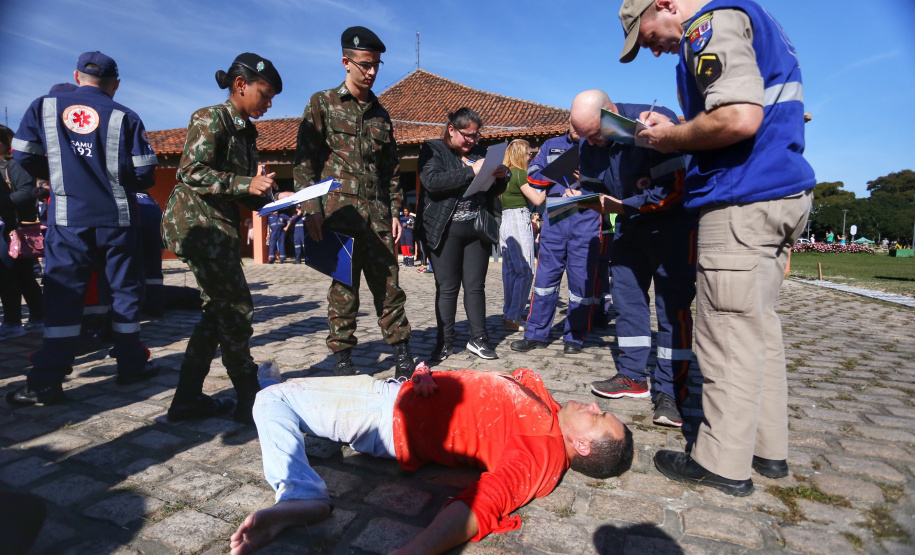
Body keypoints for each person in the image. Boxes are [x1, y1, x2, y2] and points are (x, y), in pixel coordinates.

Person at [620, 0, 815, 495]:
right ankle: (767, 450)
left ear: (663, 5)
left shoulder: (708, 24)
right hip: (779, 191)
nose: (656, 50)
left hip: (742, 198)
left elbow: (737, 118)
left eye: (647, 37)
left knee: (725, 333)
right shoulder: (754, 16)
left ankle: (722, 461)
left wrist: (671, 138)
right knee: (758, 330)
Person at [229, 366, 634, 555]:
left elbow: (484, 503)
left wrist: (414, 552)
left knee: (272, 398)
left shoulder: (541, 453)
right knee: (281, 392)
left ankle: (299, 494)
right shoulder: (548, 413)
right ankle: (271, 383)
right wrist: (429, 374)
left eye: (599, 419)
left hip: (387, 412)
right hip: (396, 394)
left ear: (582, 446)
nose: (595, 407)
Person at [8, 51, 160, 406]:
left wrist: (62, 176)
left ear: (77, 77)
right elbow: (146, 175)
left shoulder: (44, 106)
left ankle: (47, 379)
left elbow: (23, 155)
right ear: (115, 84)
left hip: (67, 216)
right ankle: (130, 365)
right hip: (118, 218)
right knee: (124, 291)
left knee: (63, 293)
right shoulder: (126, 116)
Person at [161, 53, 285, 424]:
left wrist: (266, 194)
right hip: (199, 226)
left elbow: (235, 191)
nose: (268, 103)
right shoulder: (210, 117)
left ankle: (186, 400)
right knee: (235, 308)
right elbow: (192, 171)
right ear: (240, 85)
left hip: (219, 225)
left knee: (216, 312)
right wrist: (247, 182)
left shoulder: (247, 133)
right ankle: (248, 398)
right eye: (265, 94)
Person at [566, 91, 697, 430]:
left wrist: (626, 205)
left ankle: (671, 392)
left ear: (611, 114)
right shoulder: (589, 141)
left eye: (596, 134)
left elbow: (675, 187)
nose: (592, 143)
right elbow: (595, 185)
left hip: (672, 226)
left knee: (673, 309)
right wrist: (582, 197)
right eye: (585, 137)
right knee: (627, 303)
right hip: (627, 229)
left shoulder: (655, 122)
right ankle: (632, 375)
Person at [294, 26, 415, 378]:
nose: (372, 71)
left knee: (389, 284)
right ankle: (343, 358)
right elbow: (305, 162)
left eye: (377, 64)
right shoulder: (322, 103)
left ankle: (402, 352)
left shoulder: (381, 115)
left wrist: (394, 211)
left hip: (377, 216)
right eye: (365, 64)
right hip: (339, 213)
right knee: (344, 289)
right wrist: (311, 210)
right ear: (346, 62)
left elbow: (392, 170)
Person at [418, 108, 510, 362]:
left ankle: (478, 339)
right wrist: (471, 171)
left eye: (476, 136)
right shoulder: (433, 149)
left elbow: (493, 187)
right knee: (447, 288)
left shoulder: (481, 153)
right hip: (444, 230)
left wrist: (502, 175)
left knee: (475, 286)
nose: (472, 140)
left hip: (477, 227)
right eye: (467, 135)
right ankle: (445, 341)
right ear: (451, 130)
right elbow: (432, 182)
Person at [510, 123, 602, 356]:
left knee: (581, 282)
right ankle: (536, 334)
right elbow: (532, 175)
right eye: (572, 121)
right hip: (556, 217)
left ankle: (575, 335)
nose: (575, 127)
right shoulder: (552, 145)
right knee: (544, 280)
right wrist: (556, 172)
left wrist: (589, 180)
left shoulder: (599, 146)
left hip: (586, 216)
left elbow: (613, 181)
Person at [0, 125, 45, 341]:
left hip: (13, 228)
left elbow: (27, 191)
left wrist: (3, 203)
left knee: (9, 276)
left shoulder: (12, 164)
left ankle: (12, 322)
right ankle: (38, 317)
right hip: (9, 227)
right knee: (23, 276)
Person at [500, 139, 544, 332]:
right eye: (528, 153)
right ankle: (514, 316)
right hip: (518, 219)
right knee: (526, 271)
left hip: (505, 221)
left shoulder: (504, 175)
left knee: (510, 271)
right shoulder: (519, 174)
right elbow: (537, 198)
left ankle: (509, 312)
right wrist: (551, 181)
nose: (530, 156)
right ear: (520, 155)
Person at [136, 190, 164, 317]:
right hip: (156, 228)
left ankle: (137, 307)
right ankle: (155, 308)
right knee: (153, 272)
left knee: (133, 270)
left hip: (135, 227)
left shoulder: (129, 197)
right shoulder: (152, 202)